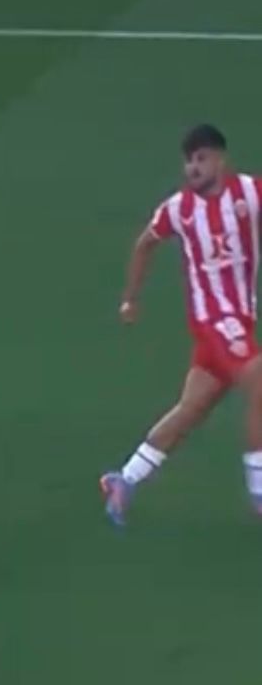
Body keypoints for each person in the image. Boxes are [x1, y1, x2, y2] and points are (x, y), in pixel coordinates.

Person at [103, 125, 262, 525]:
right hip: (214, 321)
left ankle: (125, 479)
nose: (193, 167)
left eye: (201, 158)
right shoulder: (179, 209)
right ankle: (260, 490)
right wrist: (130, 298)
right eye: (189, 160)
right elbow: (145, 243)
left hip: (236, 323)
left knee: (190, 410)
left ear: (220, 160)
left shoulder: (249, 192)